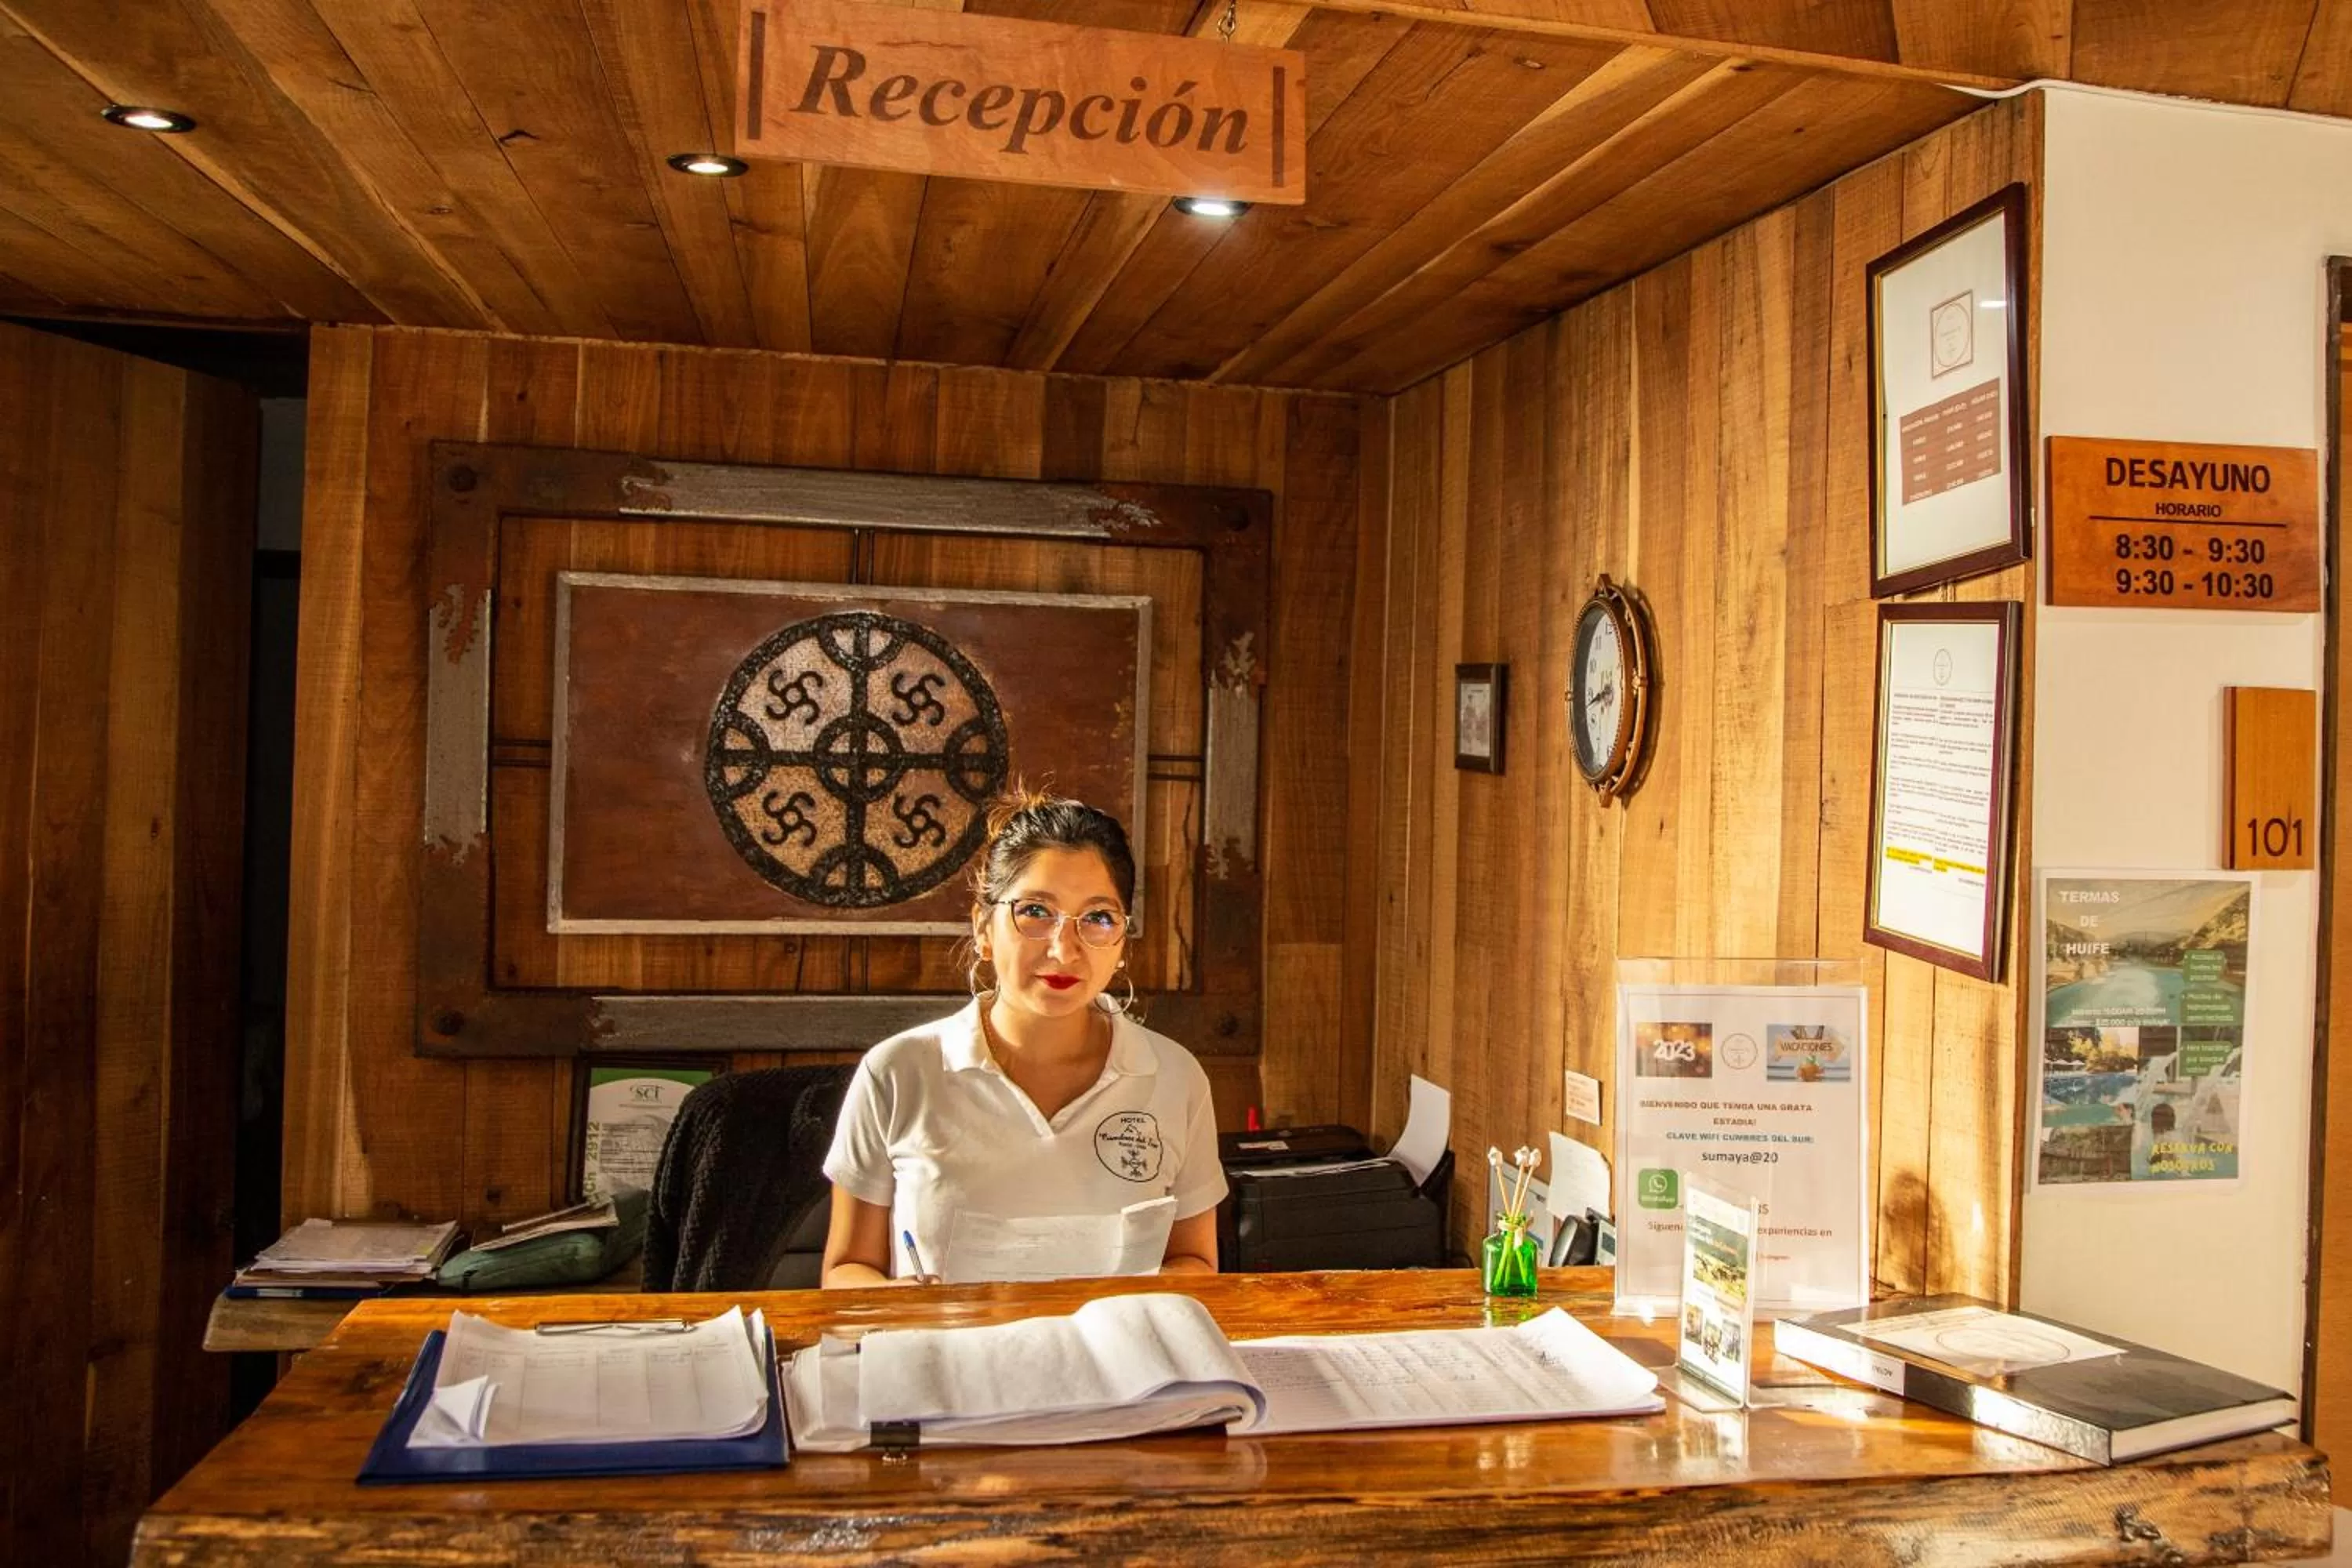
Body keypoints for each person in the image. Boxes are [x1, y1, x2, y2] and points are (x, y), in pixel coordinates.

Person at [818, 793, 1226, 1287]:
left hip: (1113, 1360)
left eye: (1098, 918)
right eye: (1036, 911)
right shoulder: (899, 1072)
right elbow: (846, 1271)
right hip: (949, 1355)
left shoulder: (1174, 1077)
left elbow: (1197, 1265)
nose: (1064, 948)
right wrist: (897, 1303)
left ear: (1121, 943)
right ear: (982, 928)